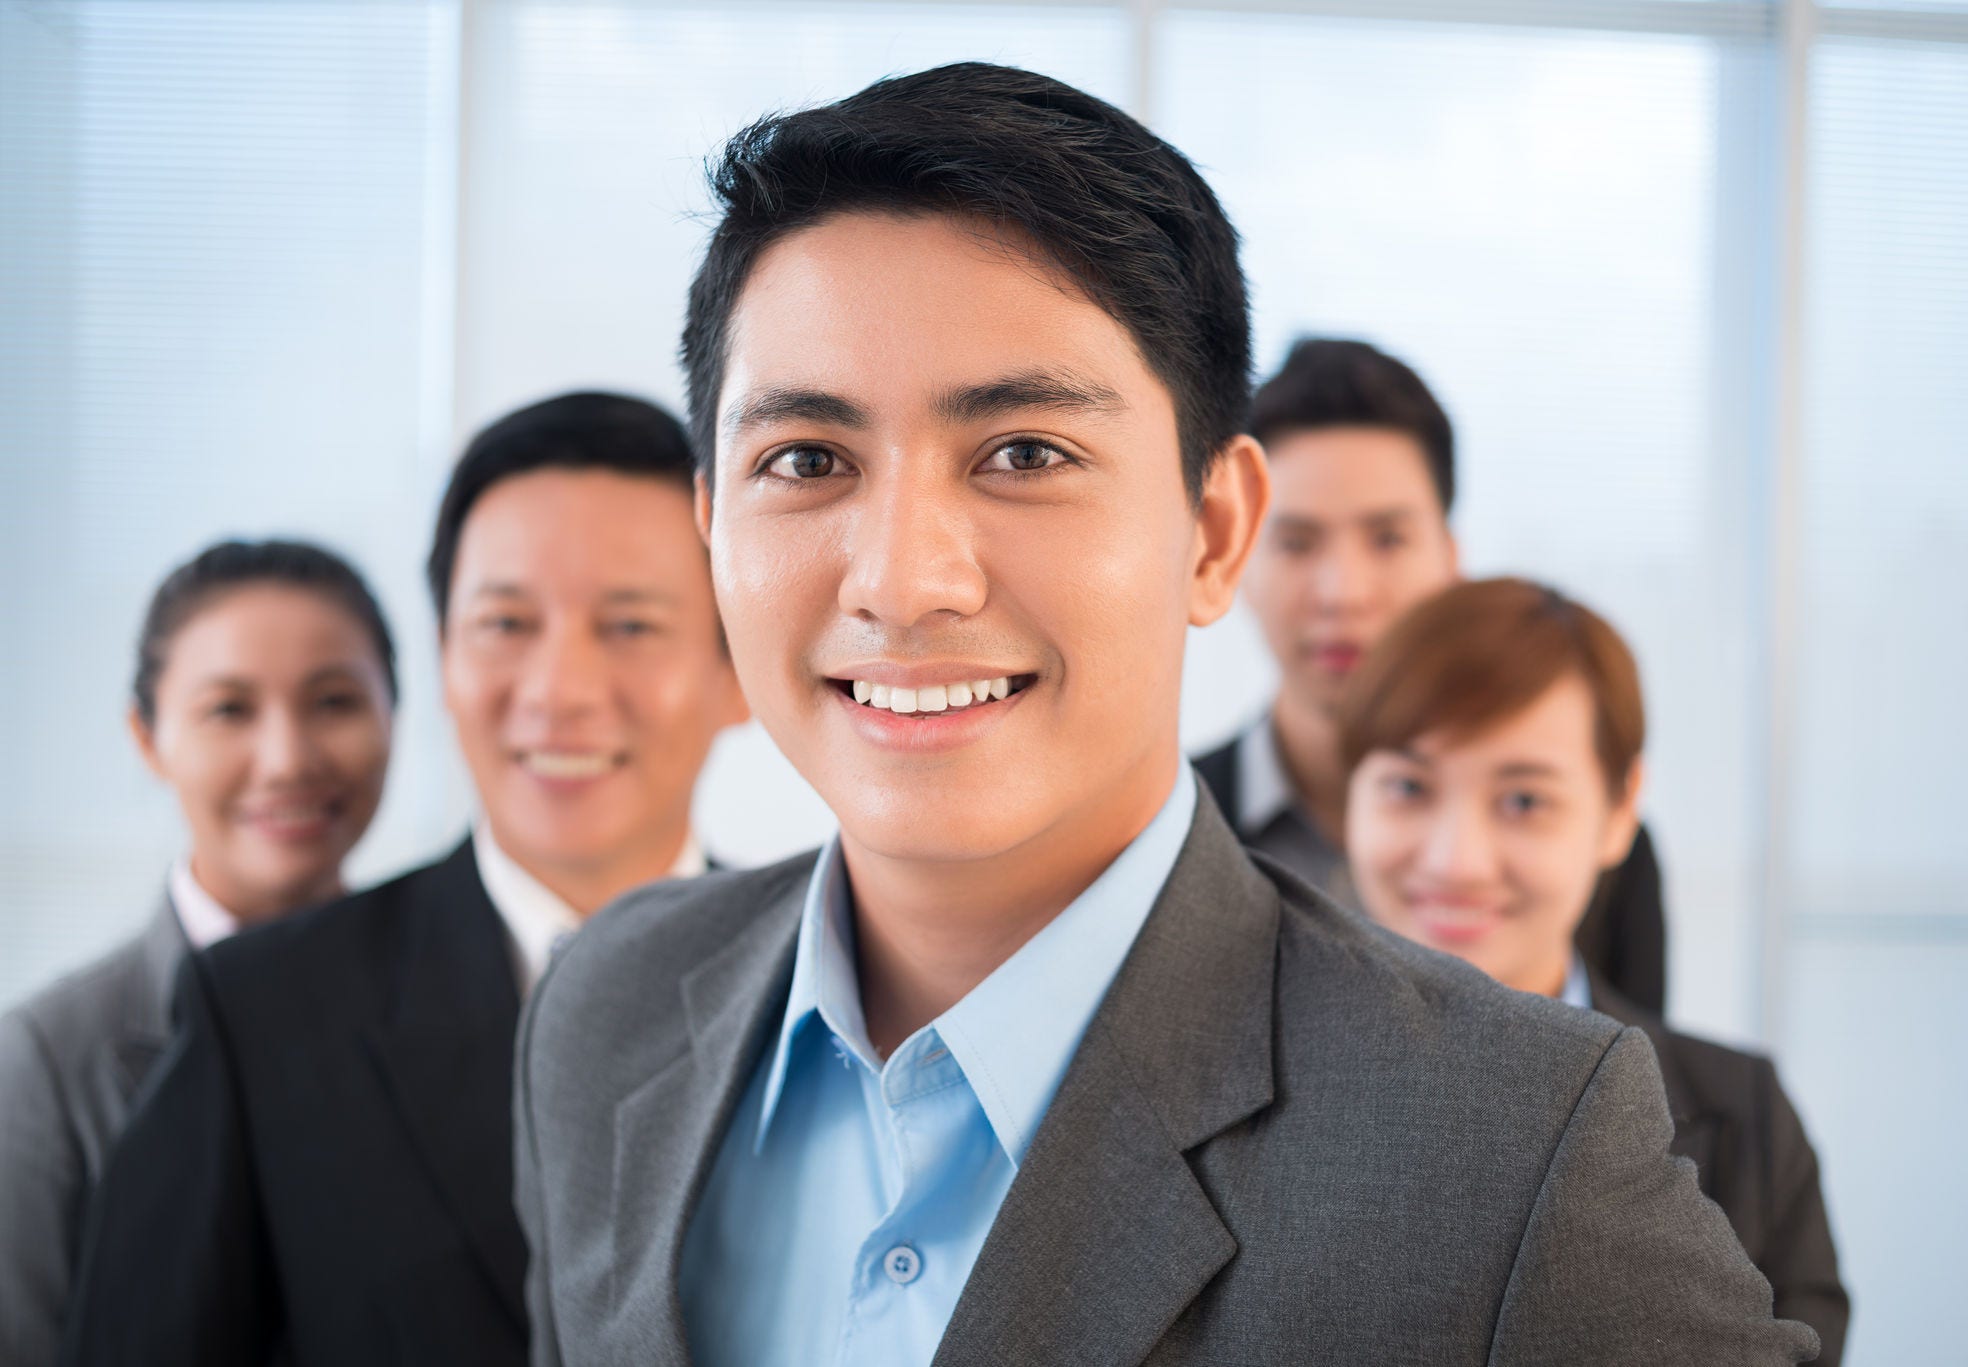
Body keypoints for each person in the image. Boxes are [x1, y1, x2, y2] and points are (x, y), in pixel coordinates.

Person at [513, 63, 1820, 1366]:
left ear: (1215, 529)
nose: (903, 581)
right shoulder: (602, 1009)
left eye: (1024, 453)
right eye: (806, 460)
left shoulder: (1512, 1146)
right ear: (712, 525)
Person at [59, 393, 747, 1367]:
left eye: (630, 623)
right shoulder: (259, 1013)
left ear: (738, 668)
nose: (558, 690)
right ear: (442, 658)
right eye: (505, 622)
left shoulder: (830, 989)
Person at [1341, 576, 1849, 1365]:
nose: (1456, 861)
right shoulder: (1237, 1089)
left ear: (1619, 809)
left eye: (1523, 801)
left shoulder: (1744, 1114)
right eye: (1408, 787)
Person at [0, 540, 397, 1365]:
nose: (287, 759)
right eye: (229, 709)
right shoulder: (48, 1058)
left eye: (334, 701)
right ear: (147, 737)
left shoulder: (463, 996)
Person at [1196, 335, 1673, 1012]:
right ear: (1235, 553)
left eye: (1388, 539)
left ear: (1451, 559)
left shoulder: (1589, 845)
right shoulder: (1169, 829)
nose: (1343, 593)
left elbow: (1645, 1065)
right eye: (1296, 542)